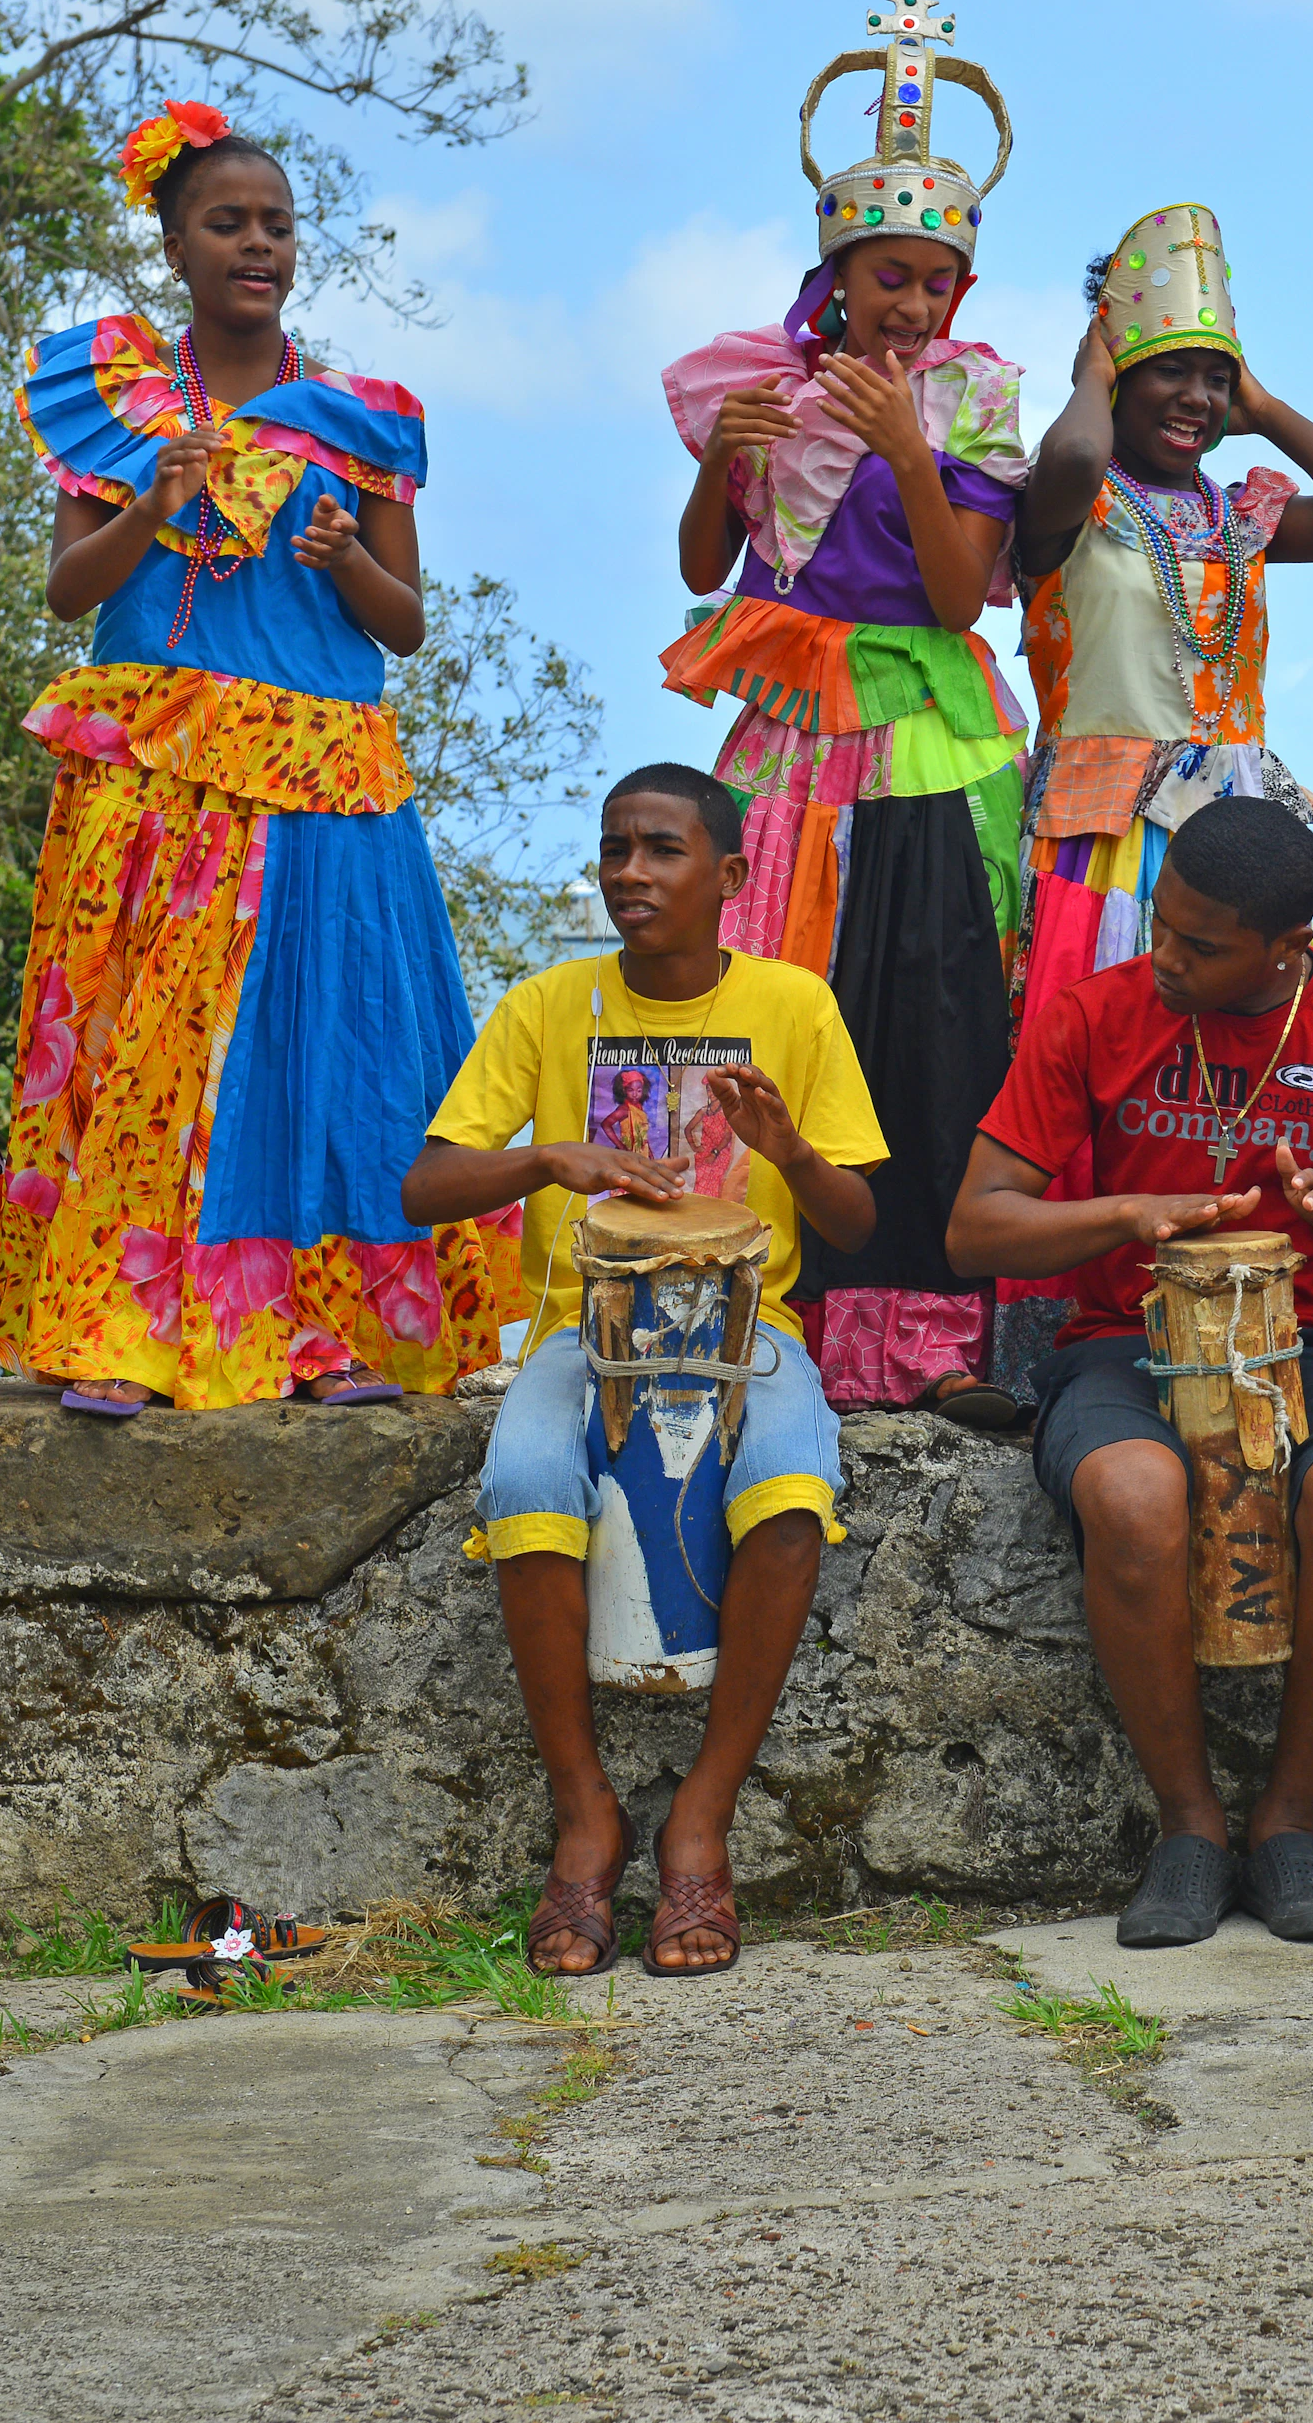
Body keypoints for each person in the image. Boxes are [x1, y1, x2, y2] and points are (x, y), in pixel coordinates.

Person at [0, 104, 517, 1415]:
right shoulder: (114, 403)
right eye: (228, 223)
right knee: (154, 1052)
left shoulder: (359, 421)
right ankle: (124, 1325)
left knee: (328, 1047)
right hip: (164, 767)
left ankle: (321, 1332)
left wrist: (346, 560)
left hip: (326, 773)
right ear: (173, 244)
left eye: (277, 224)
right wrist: (155, 506)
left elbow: (404, 624)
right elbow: (68, 590)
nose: (259, 244)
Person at [944, 798, 1313, 1949]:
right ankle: (1190, 1826)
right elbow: (975, 1229)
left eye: (1200, 945)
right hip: (1121, 1344)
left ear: (1289, 946)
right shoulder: (1095, 1014)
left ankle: (1289, 1823)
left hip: (1310, 1346)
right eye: (1163, 927)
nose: (1166, 958)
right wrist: (1123, 1214)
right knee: (1136, 1496)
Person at [403, 765, 888, 1979]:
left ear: (728, 876)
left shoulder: (795, 1003)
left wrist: (784, 1146)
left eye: (661, 850)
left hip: (746, 1325)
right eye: (615, 848)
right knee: (523, 1484)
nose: (629, 872)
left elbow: (860, 1220)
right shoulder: (549, 1002)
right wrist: (548, 1158)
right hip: (588, 1328)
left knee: (786, 1492)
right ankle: (585, 1819)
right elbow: (424, 1186)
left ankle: (700, 1821)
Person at [658, 1, 1030, 1427]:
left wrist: (905, 453)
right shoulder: (750, 379)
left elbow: (954, 599)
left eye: (937, 284)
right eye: (890, 276)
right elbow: (708, 568)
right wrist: (722, 466)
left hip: (924, 722)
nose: (913, 307)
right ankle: (743, 1299)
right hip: (790, 726)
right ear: (841, 266)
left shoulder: (973, 402)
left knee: (928, 998)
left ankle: (915, 1338)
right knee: (766, 982)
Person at [1011, 203, 1313, 1004]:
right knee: (1096, 1028)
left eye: (1214, 379)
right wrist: (1090, 376)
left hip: (1231, 829)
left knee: (1224, 1055)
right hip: (1099, 833)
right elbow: (1084, 447)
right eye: (1170, 371)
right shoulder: (1070, 499)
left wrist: (1258, 406)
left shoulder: (1240, 519)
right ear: (1118, 372)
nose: (1197, 397)